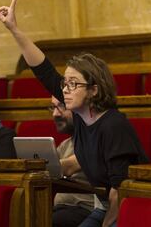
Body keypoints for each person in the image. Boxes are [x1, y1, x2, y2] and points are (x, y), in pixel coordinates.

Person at [0, 0, 148, 226]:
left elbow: (121, 191)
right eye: (65, 83)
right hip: (104, 204)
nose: (65, 89)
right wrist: (14, 29)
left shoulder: (113, 125)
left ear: (94, 90)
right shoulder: (81, 117)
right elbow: (44, 70)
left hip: (130, 208)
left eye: (73, 83)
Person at [50, 96, 94, 227]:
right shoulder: (65, 144)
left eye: (62, 106)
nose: (55, 113)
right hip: (60, 209)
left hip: (84, 209)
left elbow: (66, 167)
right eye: (53, 107)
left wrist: (38, 166)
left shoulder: (95, 140)